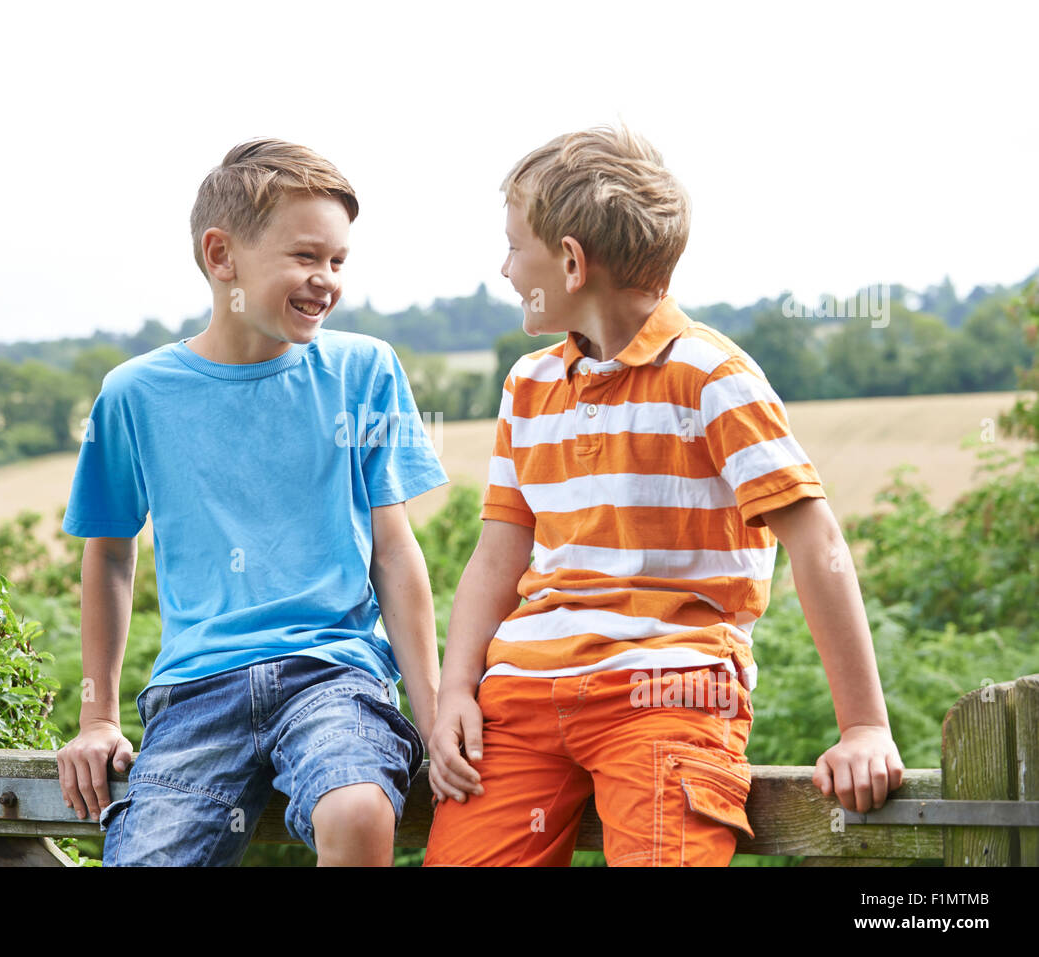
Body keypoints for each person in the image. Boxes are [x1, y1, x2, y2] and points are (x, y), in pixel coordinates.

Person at [423, 125, 905, 866]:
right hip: (519, 701)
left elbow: (819, 543)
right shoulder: (528, 387)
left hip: (668, 692)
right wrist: (456, 687)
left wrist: (864, 725)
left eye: (516, 247)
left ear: (572, 262)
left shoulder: (713, 378)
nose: (505, 267)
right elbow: (497, 555)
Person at [57, 138, 447, 866]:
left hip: (337, 676)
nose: (326, 280)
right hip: (194, 697)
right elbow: (110, 553)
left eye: (338, 261)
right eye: (306, 257)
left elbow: (394, 551)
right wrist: (97, 715)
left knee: (360, 807)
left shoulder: (364, 370)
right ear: (221, 255)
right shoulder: (134, 394)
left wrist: (433, 715)